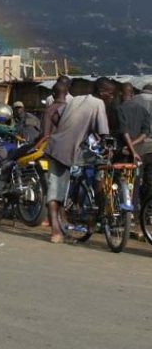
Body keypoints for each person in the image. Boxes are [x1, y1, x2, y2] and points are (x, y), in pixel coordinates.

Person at [44, 87, 109, 243]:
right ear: (103, 93)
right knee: (55, 191)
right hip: (64, 151)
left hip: (58, 145)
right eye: (110, 94)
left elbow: (54, 115)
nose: (111, 98)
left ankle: (64, 226)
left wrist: (65, 130)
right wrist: (106, 145)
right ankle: (55, 231)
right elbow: (104, 133)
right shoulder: (99, 103)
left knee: (57, 189)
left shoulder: (74, 100)